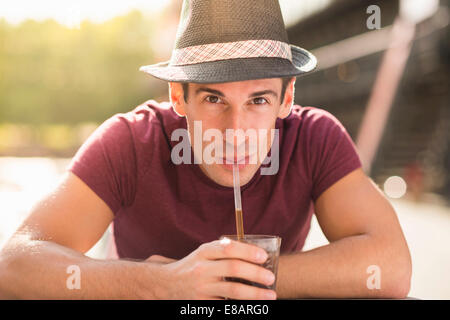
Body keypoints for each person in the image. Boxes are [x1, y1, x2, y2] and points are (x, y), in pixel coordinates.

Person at [0, 0, 412, 299]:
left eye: (259, 100)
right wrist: (164, 284)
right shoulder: (130, 141)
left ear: (288, 98)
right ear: (178, 97)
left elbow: (391, 267)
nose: (235, 131)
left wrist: (235, 276)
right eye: (214, 100)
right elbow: (14, 265)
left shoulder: (314, 138)